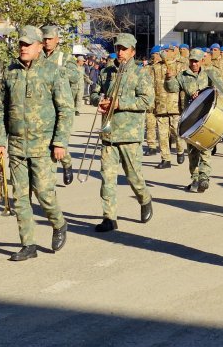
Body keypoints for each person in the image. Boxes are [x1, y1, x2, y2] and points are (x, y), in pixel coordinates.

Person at [0, 25, 74, 261]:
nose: (23, 47)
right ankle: (28, 244)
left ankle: (59, 223)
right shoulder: (11, 72)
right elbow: (1, 110)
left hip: (43, 146)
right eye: (21, 43)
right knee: (20, 198)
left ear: (40, 47)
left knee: (44, 195)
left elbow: (66, 110)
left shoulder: (53, 72)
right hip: (17, 146)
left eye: (28, 44)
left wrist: (60, 142)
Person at [95, 32, 154, 232]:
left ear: (132, 51)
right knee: (107, 178)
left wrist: (120, 103)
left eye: (123, 49)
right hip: (109, 133)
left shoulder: (140, 74)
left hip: (130, 134)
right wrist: (99, 101)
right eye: (117, 48)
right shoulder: (106, 72)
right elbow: (95, 92)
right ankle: (109, 217)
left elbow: (147, 101)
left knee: (133, 177)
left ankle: (144, 198)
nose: (119, 52)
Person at [175, 48, 223, 193]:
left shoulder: (210, 73)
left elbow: (222, 90)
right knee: (192, 151)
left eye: (196, 61)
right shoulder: (183, 76)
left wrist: (206, 92)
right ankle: (195, 178)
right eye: (191, 61)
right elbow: (171, 87)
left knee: (205, 147)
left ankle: (204, 177)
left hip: (207, 116)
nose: (194, 64)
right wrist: (168, 78)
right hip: (191, 118)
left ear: (202, 61)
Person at [40, 25, 83, 185]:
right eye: (44, 39)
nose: (47, 42)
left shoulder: (64, 57)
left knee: (57, 140)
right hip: (42, 106)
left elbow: (75, 75)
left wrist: (58, 71)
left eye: (50, 39)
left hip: (60, 105)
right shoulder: (38, 56)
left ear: (57, 40)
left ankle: (67, 164)